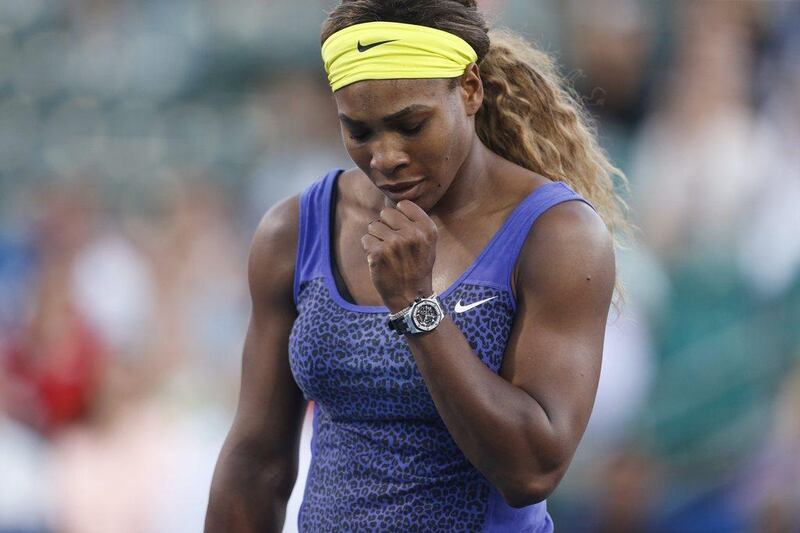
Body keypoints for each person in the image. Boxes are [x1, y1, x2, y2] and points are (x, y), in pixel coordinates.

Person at [205, 1, 627, 531]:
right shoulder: (293, 231)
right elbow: (256, 464)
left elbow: (531, 470)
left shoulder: (557, 235)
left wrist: (415, 306)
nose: (385, 157)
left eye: (410, 125)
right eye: (359, 132)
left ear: (469, 89)